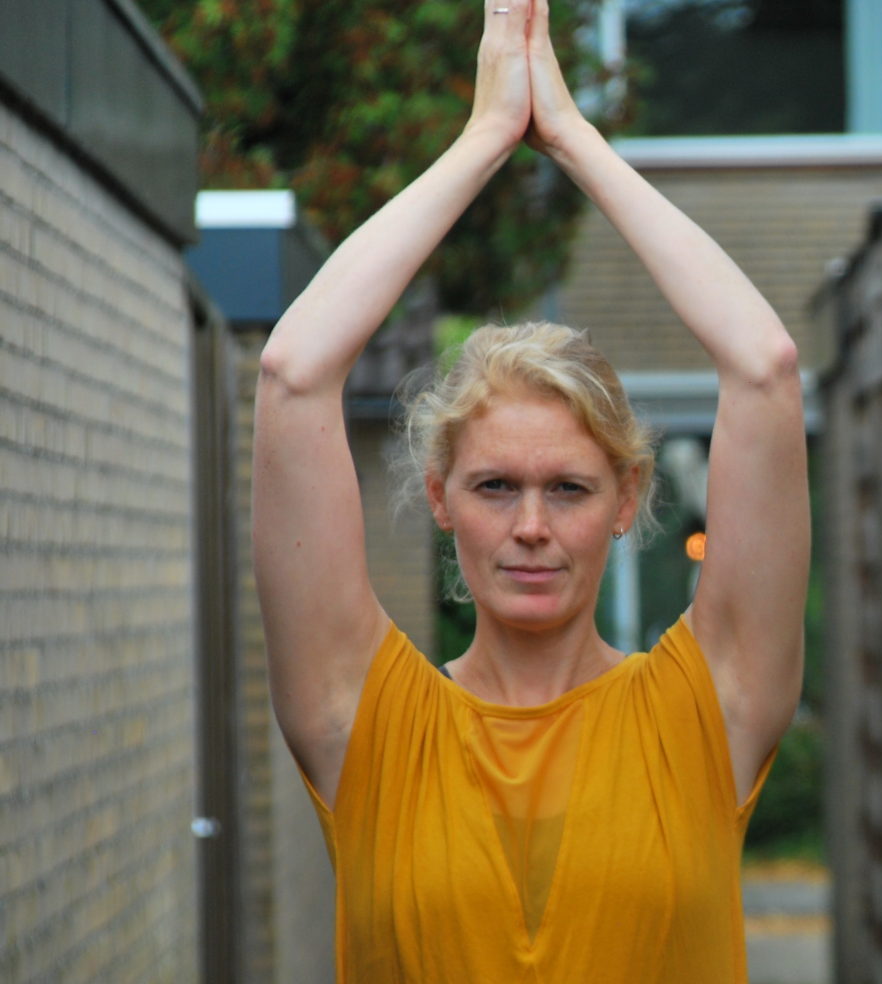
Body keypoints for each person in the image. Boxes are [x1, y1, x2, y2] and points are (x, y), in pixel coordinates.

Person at [250, 0, 809, 979]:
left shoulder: (703, 711)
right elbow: (292, 373)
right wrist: (481, 140)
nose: (531, 527)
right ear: (439, 498)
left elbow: (763, 367)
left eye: (570, 489)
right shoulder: (366, 723)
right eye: (496, 486)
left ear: (627, 499)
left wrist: (573, 139)